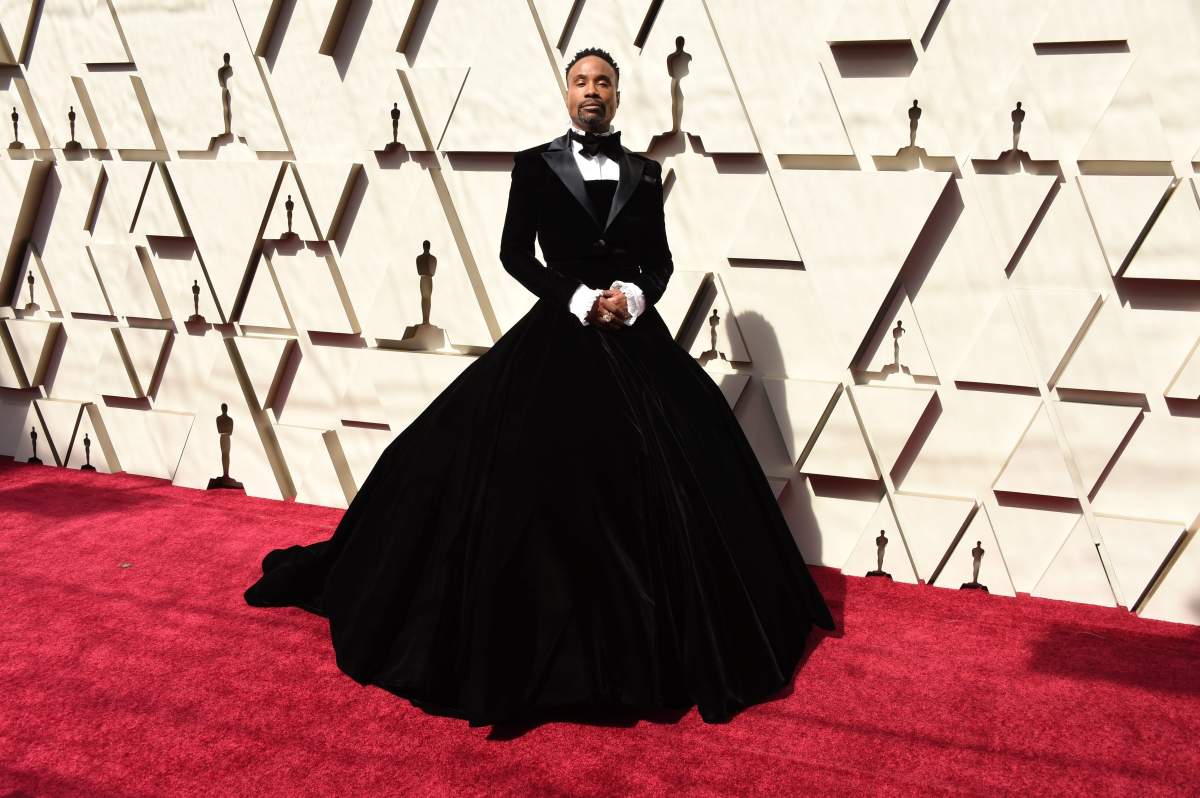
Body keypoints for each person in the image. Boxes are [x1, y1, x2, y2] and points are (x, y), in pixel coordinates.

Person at [244, 46, 835, 727]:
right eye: (581, 81)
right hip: (560, 327)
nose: (592, 91)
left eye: (603, 82)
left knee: (680, 472)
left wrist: (636, 297)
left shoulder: (646, 174)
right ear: (567, 92)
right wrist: (581, 299)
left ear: (618, 96)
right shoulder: (533, 166)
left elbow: (661, 259)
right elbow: (513, 254)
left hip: (638, 335)